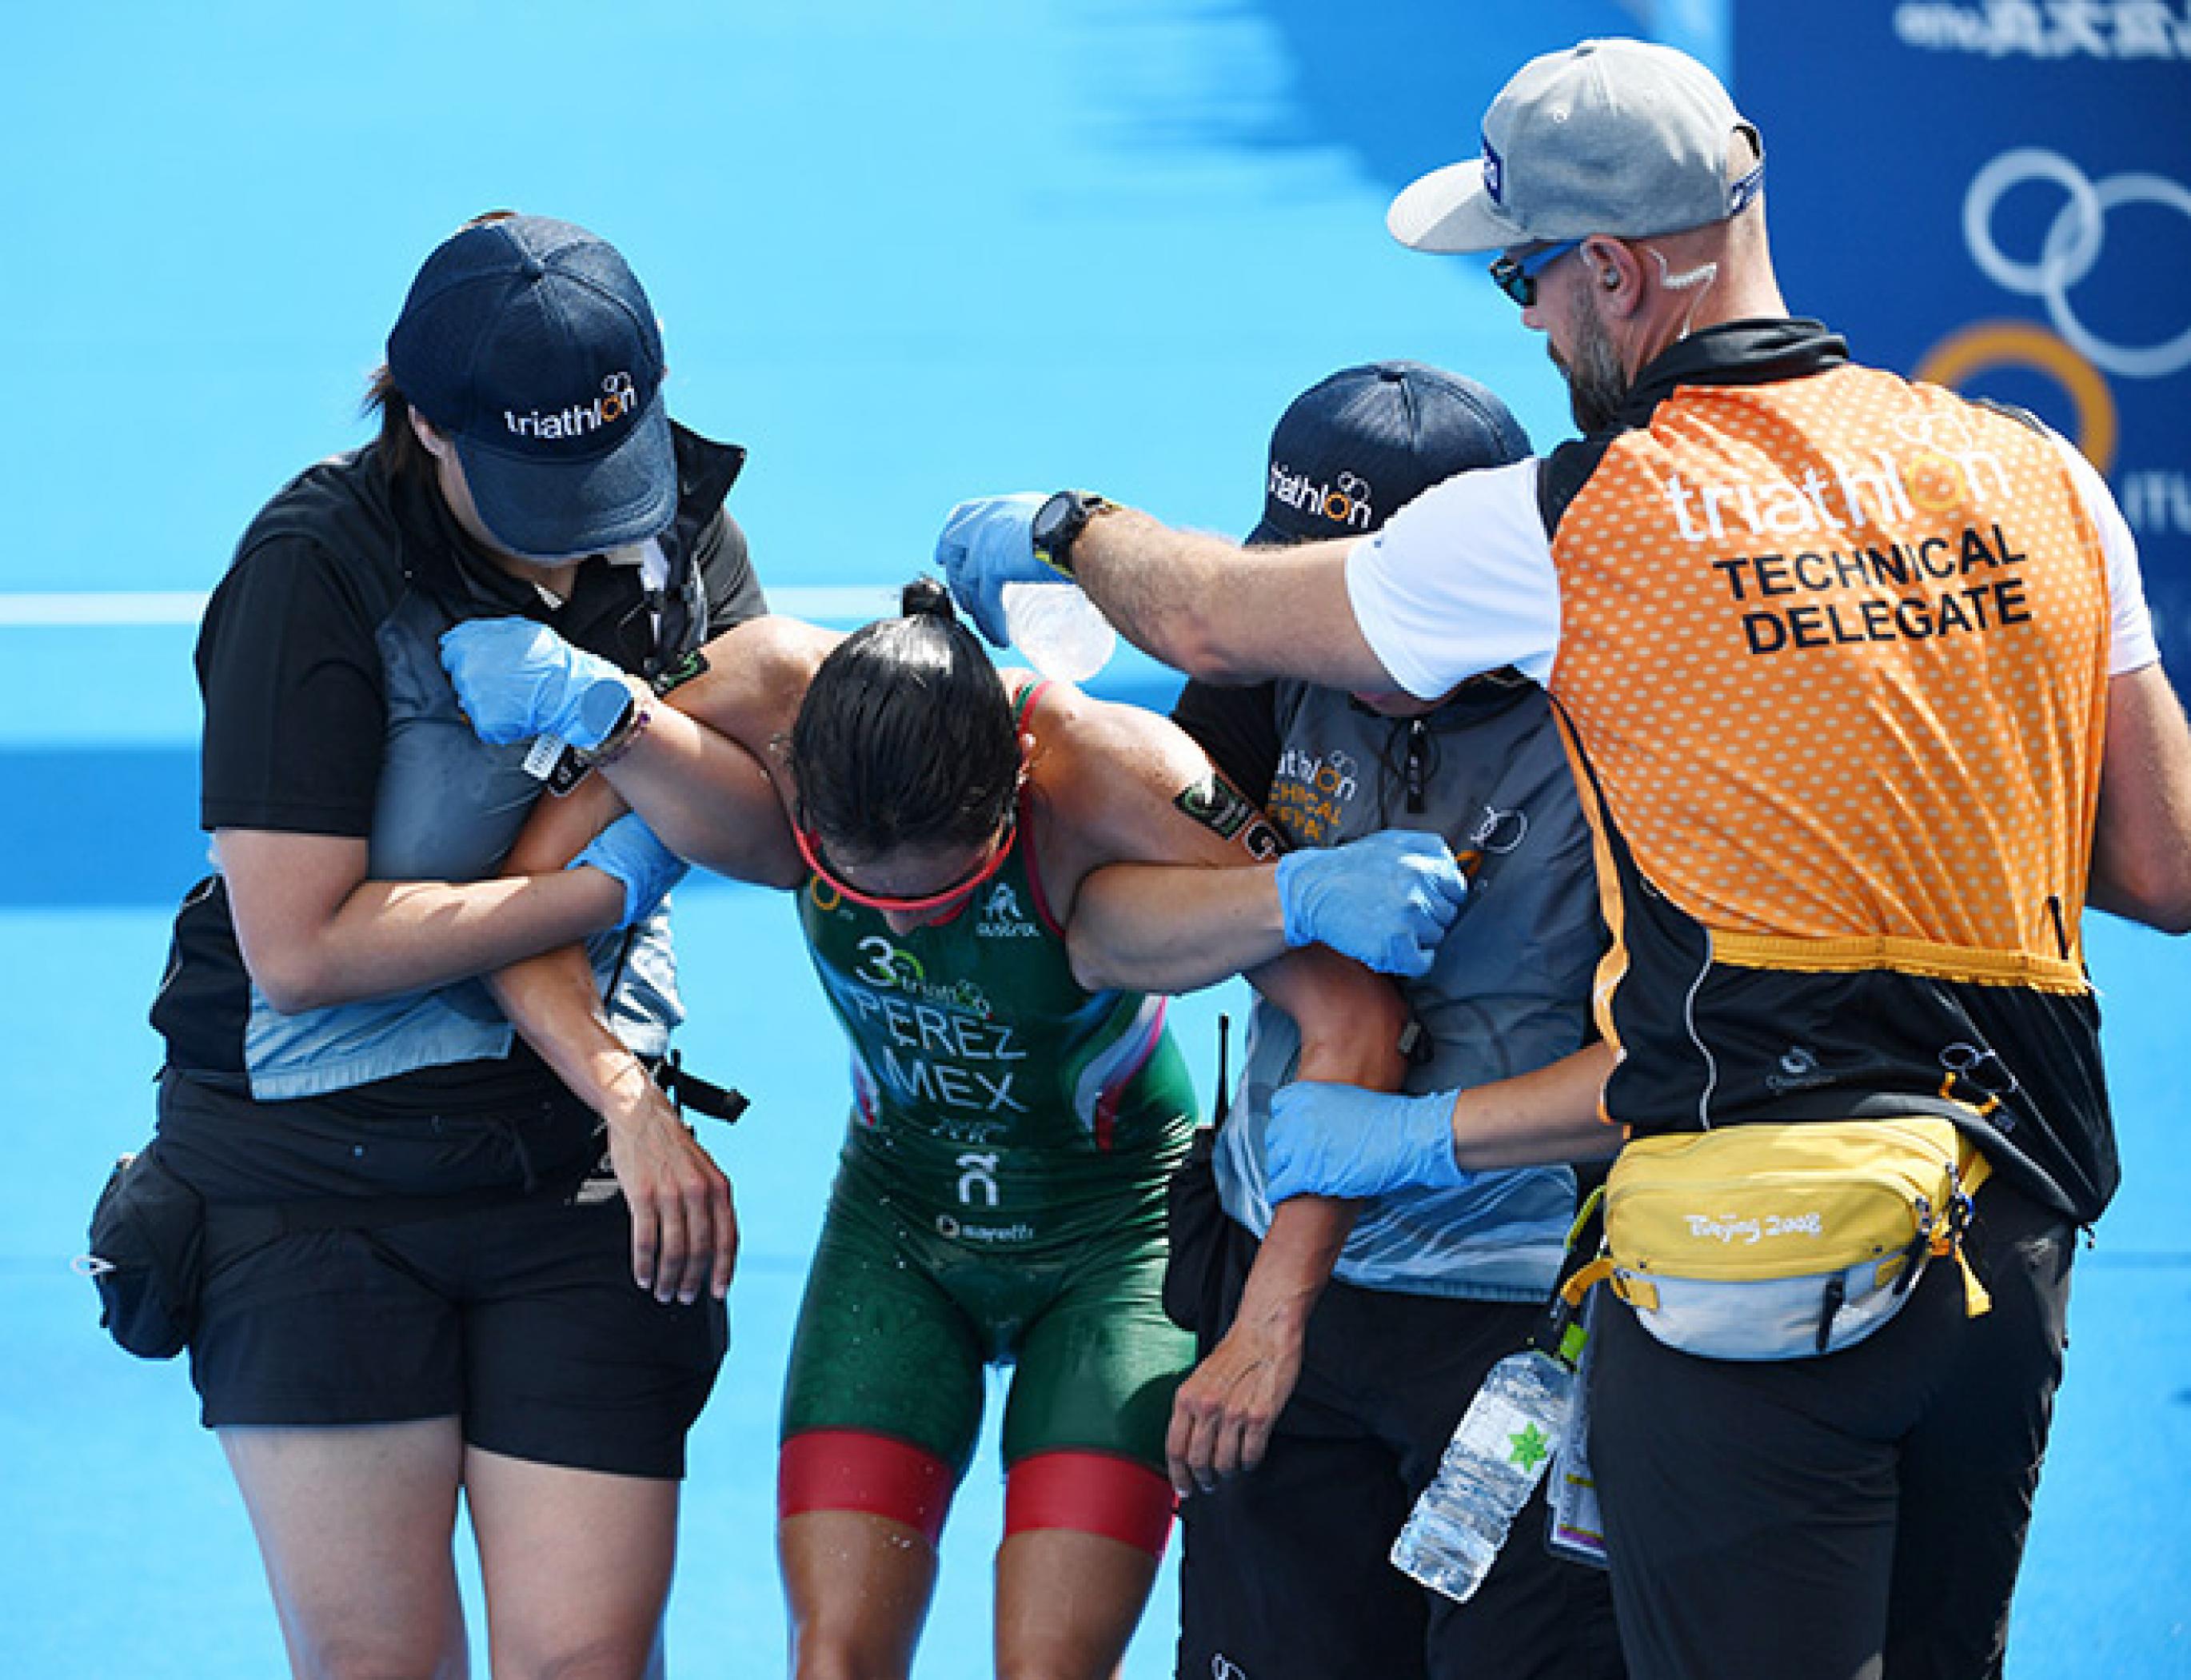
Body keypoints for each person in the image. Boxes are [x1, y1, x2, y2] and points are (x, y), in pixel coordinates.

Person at [932, 37, 2191, 1680]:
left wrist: (1051, 526)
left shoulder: (1567, 524)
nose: (1525, 320)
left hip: (1740, 1265)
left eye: (1525, 275)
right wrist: (1862, 788)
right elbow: (2158, 863)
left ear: (1611, 267)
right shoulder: (2040, 476)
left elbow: (1194, 616)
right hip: (1996, 1254)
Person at [437, 583, 1455, 1680]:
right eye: (851, 887)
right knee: (832, 1659)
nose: (911, 924)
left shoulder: (1113, 767)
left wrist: (1264, 1322)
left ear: (1016, 797)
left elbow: (1354, 1018)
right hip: (899, 1226)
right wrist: (630, 1104)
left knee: (1050, 1668)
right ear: (801, 783)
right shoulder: (768, 684)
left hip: (1113, 1247)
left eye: (950, 889)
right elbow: (518, 902)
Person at [144, 211, 776, 1679]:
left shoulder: (673, 520)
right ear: (425, 421)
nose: (581, 520)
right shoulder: (313, 571)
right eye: (532, 480)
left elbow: (764, 830)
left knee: (587, 1664)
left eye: (600, 474)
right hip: (312, 1176)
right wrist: (598, 891)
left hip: (573, 1169)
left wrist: (620, 714)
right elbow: (300, 947)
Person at [1067, 361, 1626, 1680]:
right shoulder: (1264, 671)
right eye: (1315, 595)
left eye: (1379, 600)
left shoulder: (1618, 706)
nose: (1343, 636)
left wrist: (1425, 1137)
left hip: (1532, 1316)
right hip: (1279, 1296)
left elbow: (1681, 1057)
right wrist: (1286, 893)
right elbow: (1104, 931)